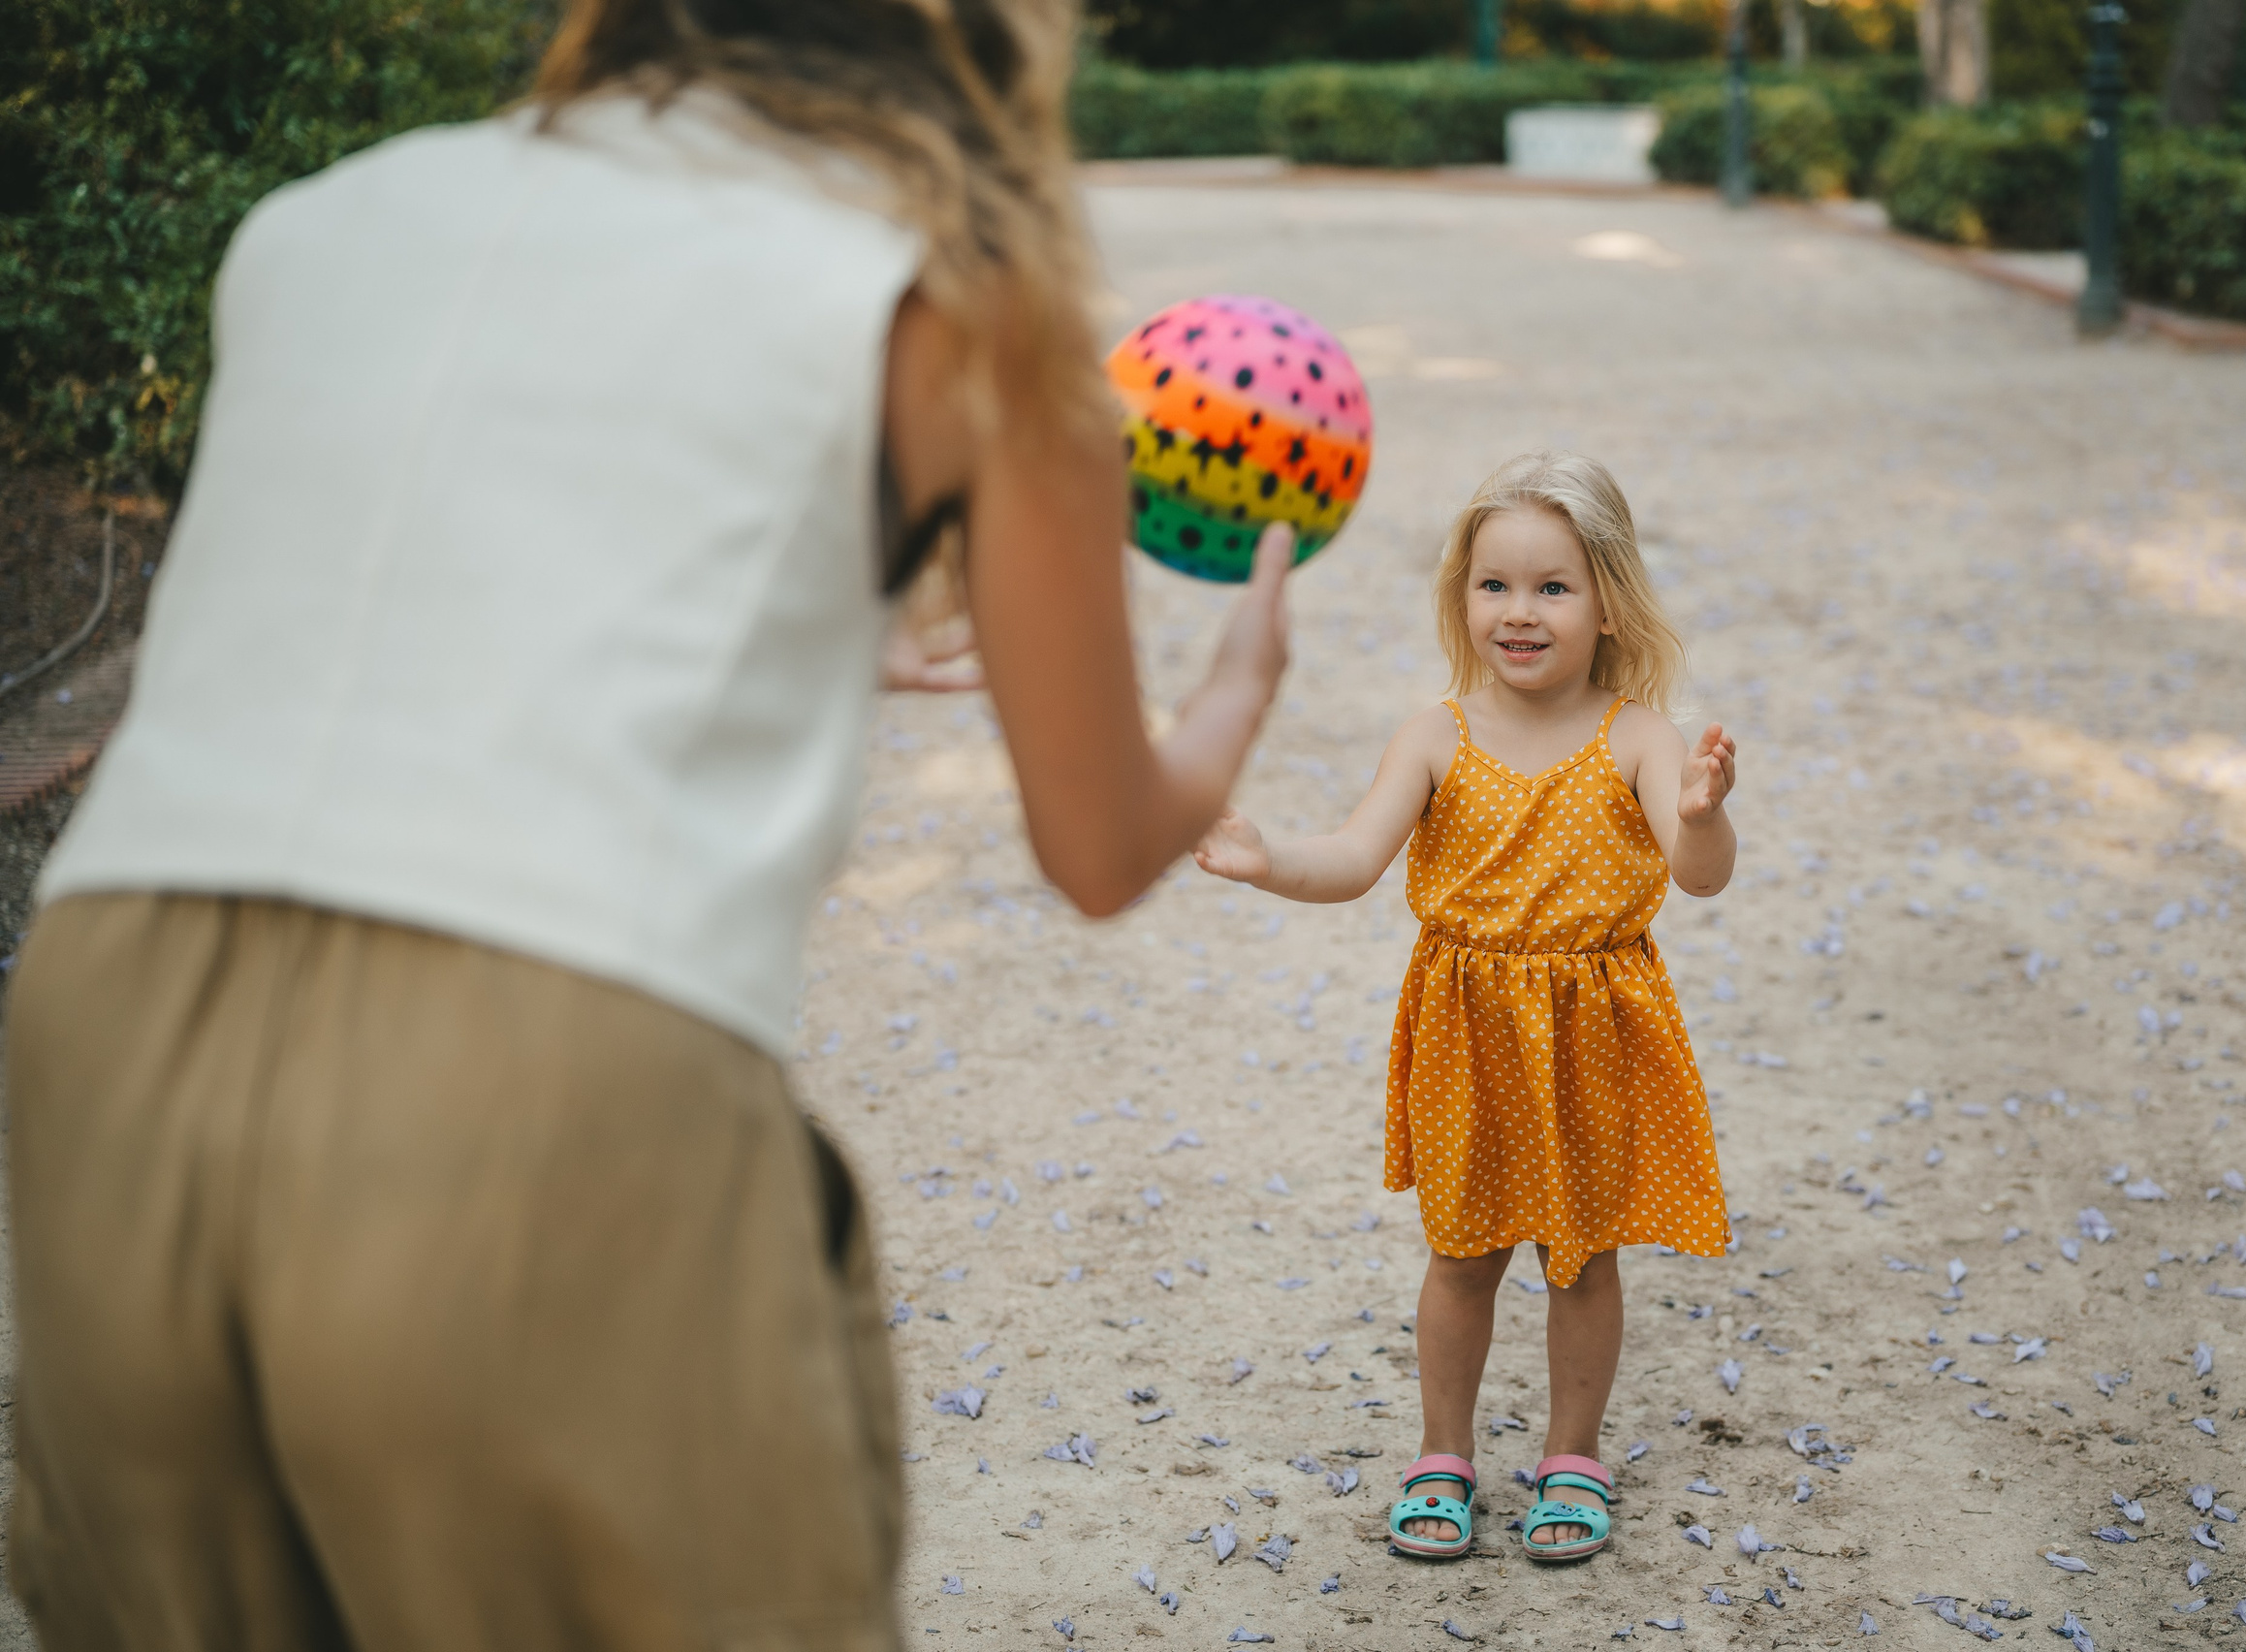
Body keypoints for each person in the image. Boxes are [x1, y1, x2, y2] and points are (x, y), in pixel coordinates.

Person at [2, 0, 1291, 1644]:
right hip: (545, 1050)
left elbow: (388, 581)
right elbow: (1103, 844)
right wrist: (1242, 683)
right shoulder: (959, 304)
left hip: (106, 1011)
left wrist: (808, 611)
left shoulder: (319, 224)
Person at [1191, 451, 1736, 1564]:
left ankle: (1572, 1454)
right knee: (1461, 1254)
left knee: (1581, 1258)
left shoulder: (1639, 735)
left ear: (1608, 602)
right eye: (1494, 585)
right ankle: (1443, 1451)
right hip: (1469, 1031)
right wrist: (1266, 857)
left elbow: (1697, 873)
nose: (1520, 612)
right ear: (1461, 597)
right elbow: (1350, 857)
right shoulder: (1435, 732)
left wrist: (1704, 813)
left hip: (1594, 1027)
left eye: (1552, 587)